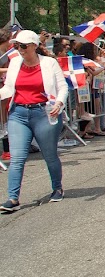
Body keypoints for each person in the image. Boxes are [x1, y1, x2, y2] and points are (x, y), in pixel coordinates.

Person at [0, 30, 69, 212]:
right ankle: (13, 198)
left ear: (34, 46)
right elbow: (8, 88)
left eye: (23, 46)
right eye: (17, 46)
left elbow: (62, 87)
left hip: (43, 113)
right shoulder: (15, 63)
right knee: (17, 158)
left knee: (49, 154)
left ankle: (57, 188)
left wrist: (59, 103)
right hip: (18, 113)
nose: (20, 50)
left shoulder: (49, 63)